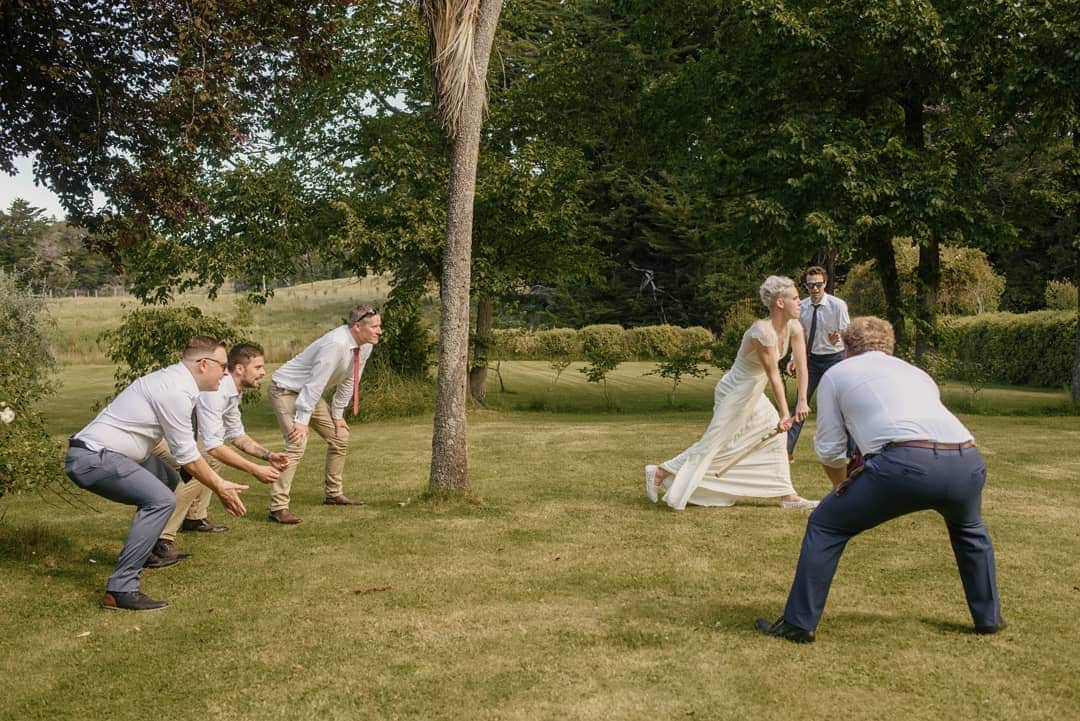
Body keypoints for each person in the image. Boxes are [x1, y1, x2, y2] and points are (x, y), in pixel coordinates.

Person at [755, 317, 1005, 643]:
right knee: (970, 531)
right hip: (967, 460)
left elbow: (830, 450)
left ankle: (798, 623)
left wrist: (840, 488)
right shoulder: (917, 374)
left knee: (826, 524)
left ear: (845, 349)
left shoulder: (837, 374)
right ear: (890, 347)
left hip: (905, 464)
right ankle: (988, 619)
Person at [64, 336, 249, 611]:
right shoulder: (174, 390)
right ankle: (121, 589)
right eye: (222, 365)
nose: (226, 371)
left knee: (169, 479)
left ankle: (147, 551)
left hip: (114, 454)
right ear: (203, 364)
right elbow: (188, 456)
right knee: (161, 500)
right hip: (93, 458)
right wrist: (220, 486)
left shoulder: (179, 384)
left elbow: (186, 454)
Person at [644, 276, 818, 510]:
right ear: (779, 303)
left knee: (777, 435)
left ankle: (787, 495)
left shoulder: (794, 327)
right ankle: (660, 471)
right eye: (796, 298)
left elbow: (803, 365)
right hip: (735, 391)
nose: (801, 302)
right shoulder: (762, 333)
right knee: (716, 443)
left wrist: (803, 402)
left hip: (753, 390)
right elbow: (774, 376)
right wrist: (785, 413)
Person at [151, 342, 290, 563]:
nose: (263, 372)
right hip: (155, 437)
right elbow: (213, 446)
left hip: (176, 436)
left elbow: (237, 435)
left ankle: (195, 518)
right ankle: (160, 539)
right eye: (258, 367)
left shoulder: (232, 392)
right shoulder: (216, 392)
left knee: (209, 461)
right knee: (199, 465)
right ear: (239, 369)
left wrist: (268, 455)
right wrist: (254, 470)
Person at [266, 304, 383, 524]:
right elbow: (315, 383)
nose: (379, 331)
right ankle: (278, 507)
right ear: (357, 326)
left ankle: (333, 494)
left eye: (379, 326)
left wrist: (338, 414)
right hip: (285, 390)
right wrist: (301, 421)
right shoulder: (335, 344)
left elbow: (351, 379)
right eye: (375, 326)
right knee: (297, 442)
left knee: (340, 437)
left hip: (309, 392)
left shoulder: (365, 344)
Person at [785, 265, 851, 461]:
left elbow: (847, 335)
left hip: (835, 359)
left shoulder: (837, 305)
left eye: (818, 285)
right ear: (806, 285)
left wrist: (837, 339)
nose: (814, 289)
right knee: (800, 403)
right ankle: (786, 451)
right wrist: (793, 359)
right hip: (811, 361)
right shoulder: (802, 307)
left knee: (843, 405)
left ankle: (852, 452)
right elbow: (798, 337)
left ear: (825, 284)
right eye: (810, 285)